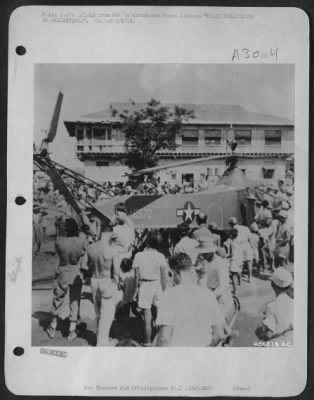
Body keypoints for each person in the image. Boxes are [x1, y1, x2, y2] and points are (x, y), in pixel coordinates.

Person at [155, 253, 225, 347]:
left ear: (172, 272)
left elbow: (165, 337)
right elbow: (219, 335)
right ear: (190, 269)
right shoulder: (208, 294)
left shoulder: (169, 295)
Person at [47, 218, 86, 340]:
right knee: (75, 299)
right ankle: (72, 329)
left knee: (58, 298)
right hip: (75, 271)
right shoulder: (81, 241)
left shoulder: (59, 241)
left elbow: (57, 253)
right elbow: (84, 252)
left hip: (63, 269)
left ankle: (53, 326)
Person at [86, 224, 122, 346]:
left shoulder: (90, 248)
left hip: (94, 279)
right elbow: (116, 272)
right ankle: (102, 343)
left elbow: (85, 266)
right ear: (110, 235)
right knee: (106, 314)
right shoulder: (112, 251)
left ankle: (99, 339)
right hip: (106, 281)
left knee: (97, 312)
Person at [132, 231, 168, 346]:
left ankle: (147, 342)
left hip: (144, 285)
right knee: (160, 314)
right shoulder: (160, 256)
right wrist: (165, 290)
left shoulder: (138, 255)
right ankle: (160, 340)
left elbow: (136, 276)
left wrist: (135, 291)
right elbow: (163, 277)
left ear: (147, 242)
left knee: (147, 316)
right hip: (157, 284)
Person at [195, 239, 234, 321]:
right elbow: (203, 278)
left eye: (205, 253)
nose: (203, 255)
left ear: (211, 252)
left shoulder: (220, 263)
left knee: (217, 323)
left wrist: (211, 295)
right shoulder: (204, 262)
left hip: (221, 297)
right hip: (209, 294)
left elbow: (223, 285)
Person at [255, 267, 293, 345]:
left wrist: (259, 332)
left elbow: (268, 335)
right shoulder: (293, 302)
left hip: (279, 344)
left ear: (272, 285)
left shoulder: (271, 306)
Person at [228, 216, 254, 282]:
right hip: (246, 244)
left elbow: (232, 240)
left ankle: (239, 279)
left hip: (239, 246)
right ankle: (250, 278)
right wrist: (252, 247)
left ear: (231, 224)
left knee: (240, 263)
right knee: (249, 262)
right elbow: (250, 238)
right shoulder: (245, 228)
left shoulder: (233, 230)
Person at [224, 228, 243, 295]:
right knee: (238, 273)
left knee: (233, 276)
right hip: (239, 259)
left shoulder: (232, 243)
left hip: (234, 260)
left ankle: (235, 291)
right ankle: (239, 284)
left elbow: (232, 253)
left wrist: (226, 256)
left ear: (231, 235)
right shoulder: (239, 242)